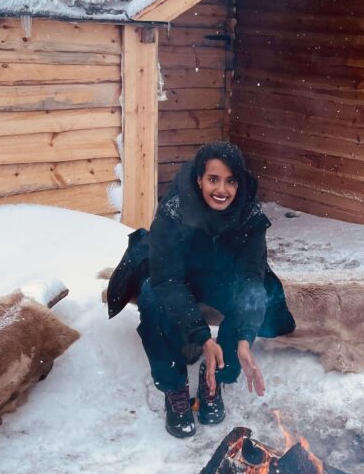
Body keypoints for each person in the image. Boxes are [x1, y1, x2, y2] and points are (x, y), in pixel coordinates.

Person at [108, 141, 295, 438]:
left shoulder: (249, 216)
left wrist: (245, 338)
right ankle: (175, 389)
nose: (222, 190)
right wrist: (202, 337)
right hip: (179, 276)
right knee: (152, 300)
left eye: (230, 181)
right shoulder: (172, 213)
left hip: (220, 275)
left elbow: (250, 278)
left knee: (252, 297)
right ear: (199, 179)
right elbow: (168, 280)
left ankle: (215, 381)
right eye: (213, 179)